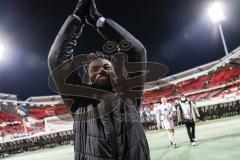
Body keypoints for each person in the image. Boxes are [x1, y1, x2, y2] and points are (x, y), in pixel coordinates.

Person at [48, 0, 150, 159]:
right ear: (88, 79)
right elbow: (57, 59)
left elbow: (137, 51)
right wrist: (77, 18)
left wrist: (99, 20)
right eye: (94, 69)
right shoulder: (79, 100)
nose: (101, 69)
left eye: (107, 67)